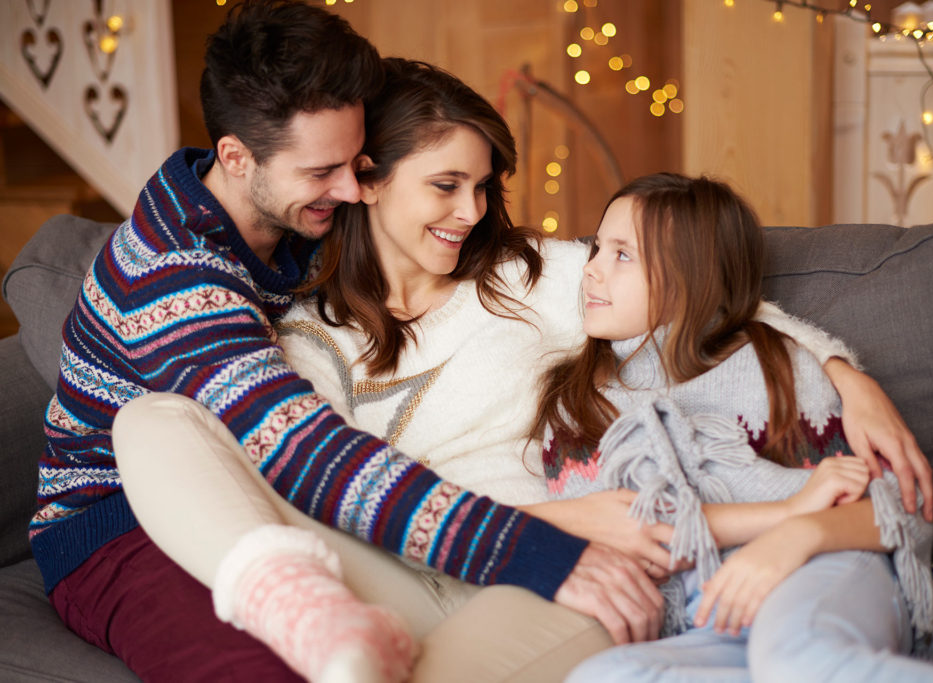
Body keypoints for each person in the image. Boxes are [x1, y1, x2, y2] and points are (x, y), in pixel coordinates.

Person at [114, 56, 933, 681]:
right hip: (379, 573)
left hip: (535, 575)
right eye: (445, 184)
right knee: (147, 421)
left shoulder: (530, 278)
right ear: (367, 181)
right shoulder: (300, 331)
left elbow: (691, 286)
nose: (471, 211)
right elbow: (305, 485)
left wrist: (846, 372)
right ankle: (313, 621)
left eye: (482, 185)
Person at [31, 4, 656, 682]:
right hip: (121, 525)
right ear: (236, 158)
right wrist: (532, 548)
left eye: (358, 163)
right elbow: (305, 451)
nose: (352, 189)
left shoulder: (304, 219)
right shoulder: (171, 278)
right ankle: (304, 611)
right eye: (323, 171)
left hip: (266, 490)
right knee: (256, 655)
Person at [533, 172, 933, 682]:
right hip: (712, 619)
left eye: (622, 255)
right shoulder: (577, 406)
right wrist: (786, 513)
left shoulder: (773, 365)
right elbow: (635, 539)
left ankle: (926, 606)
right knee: (603, 677)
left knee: (796, 658)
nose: (592, 271)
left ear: (692, 276)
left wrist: (797, 536)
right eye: (596, 250)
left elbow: (894, 512)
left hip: (823, 564)